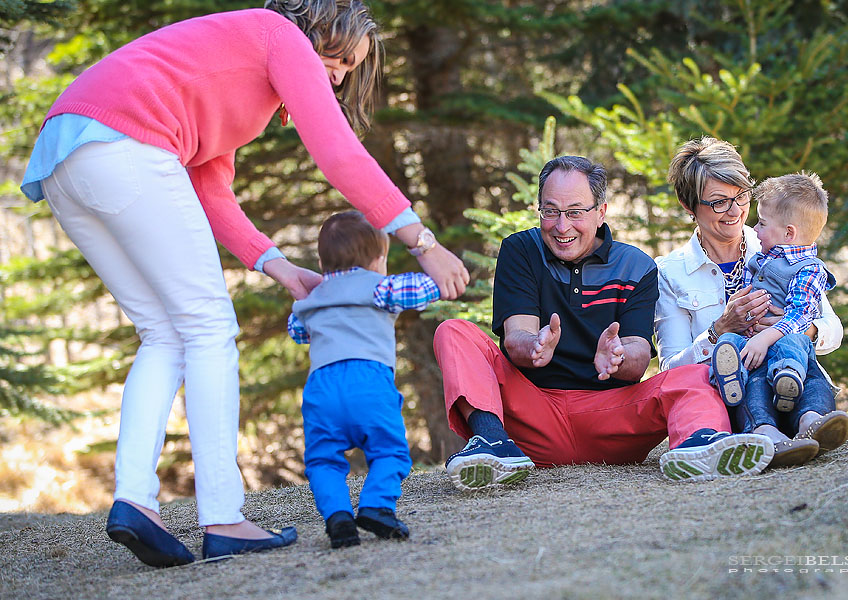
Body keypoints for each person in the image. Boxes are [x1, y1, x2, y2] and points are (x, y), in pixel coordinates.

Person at [19, 0, 468, 567]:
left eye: (350, 69)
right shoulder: (278, 34)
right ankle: (224, 517)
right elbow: (336, 152)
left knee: (162, 333)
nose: (339, 74)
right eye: (341, 58)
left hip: (70, 154)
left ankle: (134, 499)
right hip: (124, 143)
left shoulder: (239, 67)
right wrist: (421, 242)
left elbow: (212, 192)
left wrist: (282, 268)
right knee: (209, 327)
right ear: (320, 30)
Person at [433, 155, 775, 491]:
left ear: (601, 212)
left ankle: (700, 445)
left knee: (698, 373)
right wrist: (534, 345)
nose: (561, 226)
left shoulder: (636, 265)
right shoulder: (522, 249)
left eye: (575, 213)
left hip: (611, 418)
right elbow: (516, 337)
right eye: (550, 212)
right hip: (533, 416)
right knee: (454, 331)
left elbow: (639, 355)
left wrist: (617, 357)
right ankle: (493, 444)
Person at [655, 137, 847, 469]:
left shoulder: (778, 243)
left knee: (803, 363)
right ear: (688, 206)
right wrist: (718, 331)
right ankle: (764, 430)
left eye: (741, 196)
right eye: (718, 202)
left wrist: (796, 329)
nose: (735, 211)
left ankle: (809, 421)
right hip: (733, 400)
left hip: (790, 379)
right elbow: (671, 371)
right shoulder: (671, 274)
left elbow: (832, 329)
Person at [288, 211, 439, 548]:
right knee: (389, 452)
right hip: (368, 381)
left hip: (322, 386)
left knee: (323, 459)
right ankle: (376, 506)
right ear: (378, 258)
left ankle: (338, 517)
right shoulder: (381, 287)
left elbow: (297, 331)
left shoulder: (312, 299)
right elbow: (427, 288)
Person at [710, 172, 848, 464]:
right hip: (755, 353)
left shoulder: (809, 269)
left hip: (792, 352)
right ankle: (760, 423)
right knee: (751, 380)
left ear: (788, 233)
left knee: (812, 378)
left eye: (761, 223)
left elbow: (802, 315)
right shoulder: (759, 261)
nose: (755, 229)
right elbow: (744, 300)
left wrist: (767, 335)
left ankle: (811, 421)